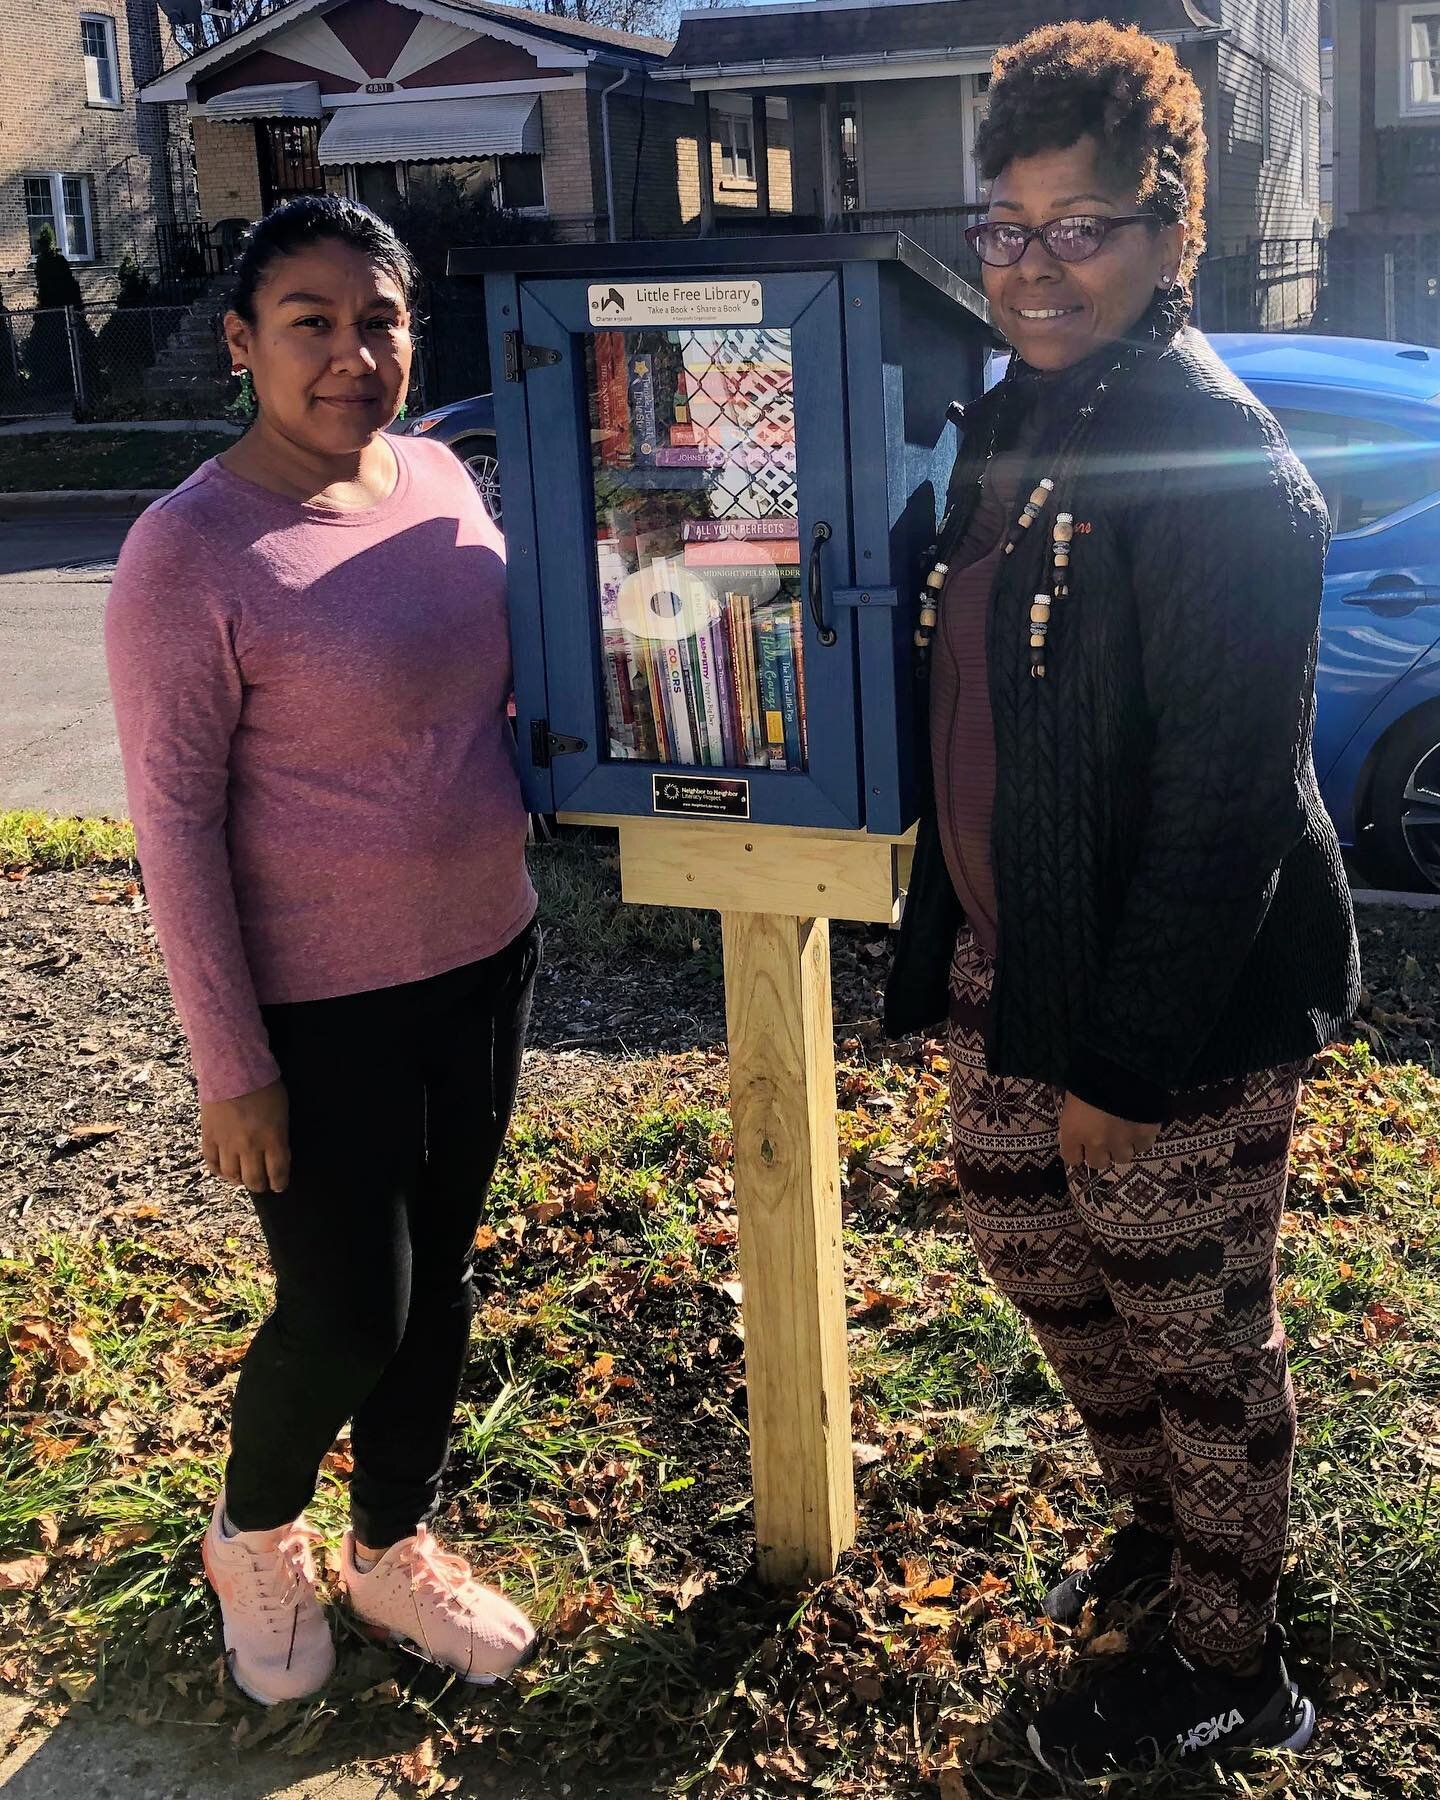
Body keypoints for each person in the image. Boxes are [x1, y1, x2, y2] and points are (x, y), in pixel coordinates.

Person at [884, 22, 1360, 1778]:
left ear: (1172, 230)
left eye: (1080, 224)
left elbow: (1223, 814)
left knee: (1193, 1319)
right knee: (1033, 1253)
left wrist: (1123, 1063)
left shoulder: (1222, 465)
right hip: (1016, 962)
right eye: (1005, 226)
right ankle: (1168, 1528)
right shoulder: (1012, 419)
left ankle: (1239, 1662)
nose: (1034, 263)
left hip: (1179, 1003)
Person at [105, 197, 540, 1706]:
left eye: (379, 321)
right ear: (241, 344)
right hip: (317, 1006)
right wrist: (233, 1067)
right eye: (311, 323)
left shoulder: (437, 478)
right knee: (350, 1308)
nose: (352, 354)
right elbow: (171, 822)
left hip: (487, 955)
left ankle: (391, 1547)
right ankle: (256, 1529)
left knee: (445, 1288)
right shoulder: (192, 549)